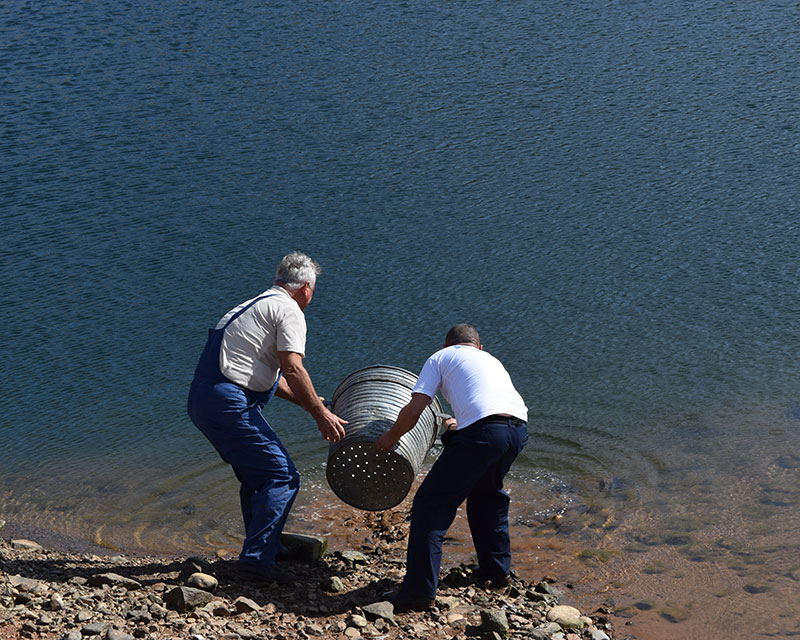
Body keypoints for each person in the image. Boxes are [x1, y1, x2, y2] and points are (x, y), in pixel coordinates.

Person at [187, 252, 347, 583]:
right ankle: (257, 562)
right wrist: (321, 415)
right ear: (306, 287)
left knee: (258, 477)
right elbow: (292, 366)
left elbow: (268, 376)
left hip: (205, 400)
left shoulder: (254, 305)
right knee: (281, 476)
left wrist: (309, 402)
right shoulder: (289, 310)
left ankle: (265, 547)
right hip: (228, 402)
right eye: (313, 290)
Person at [375, 323, 528, 611]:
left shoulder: (440, 358)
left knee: (430, 505)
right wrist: (459, 428)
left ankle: (418, 591)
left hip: (486, 433)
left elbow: (415, 407)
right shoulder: (491, 360)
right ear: (478, 347)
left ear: (448, 346)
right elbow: (488, 408)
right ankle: (496, 572)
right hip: (517, 430)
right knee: (487, 497)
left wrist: (390, 437)